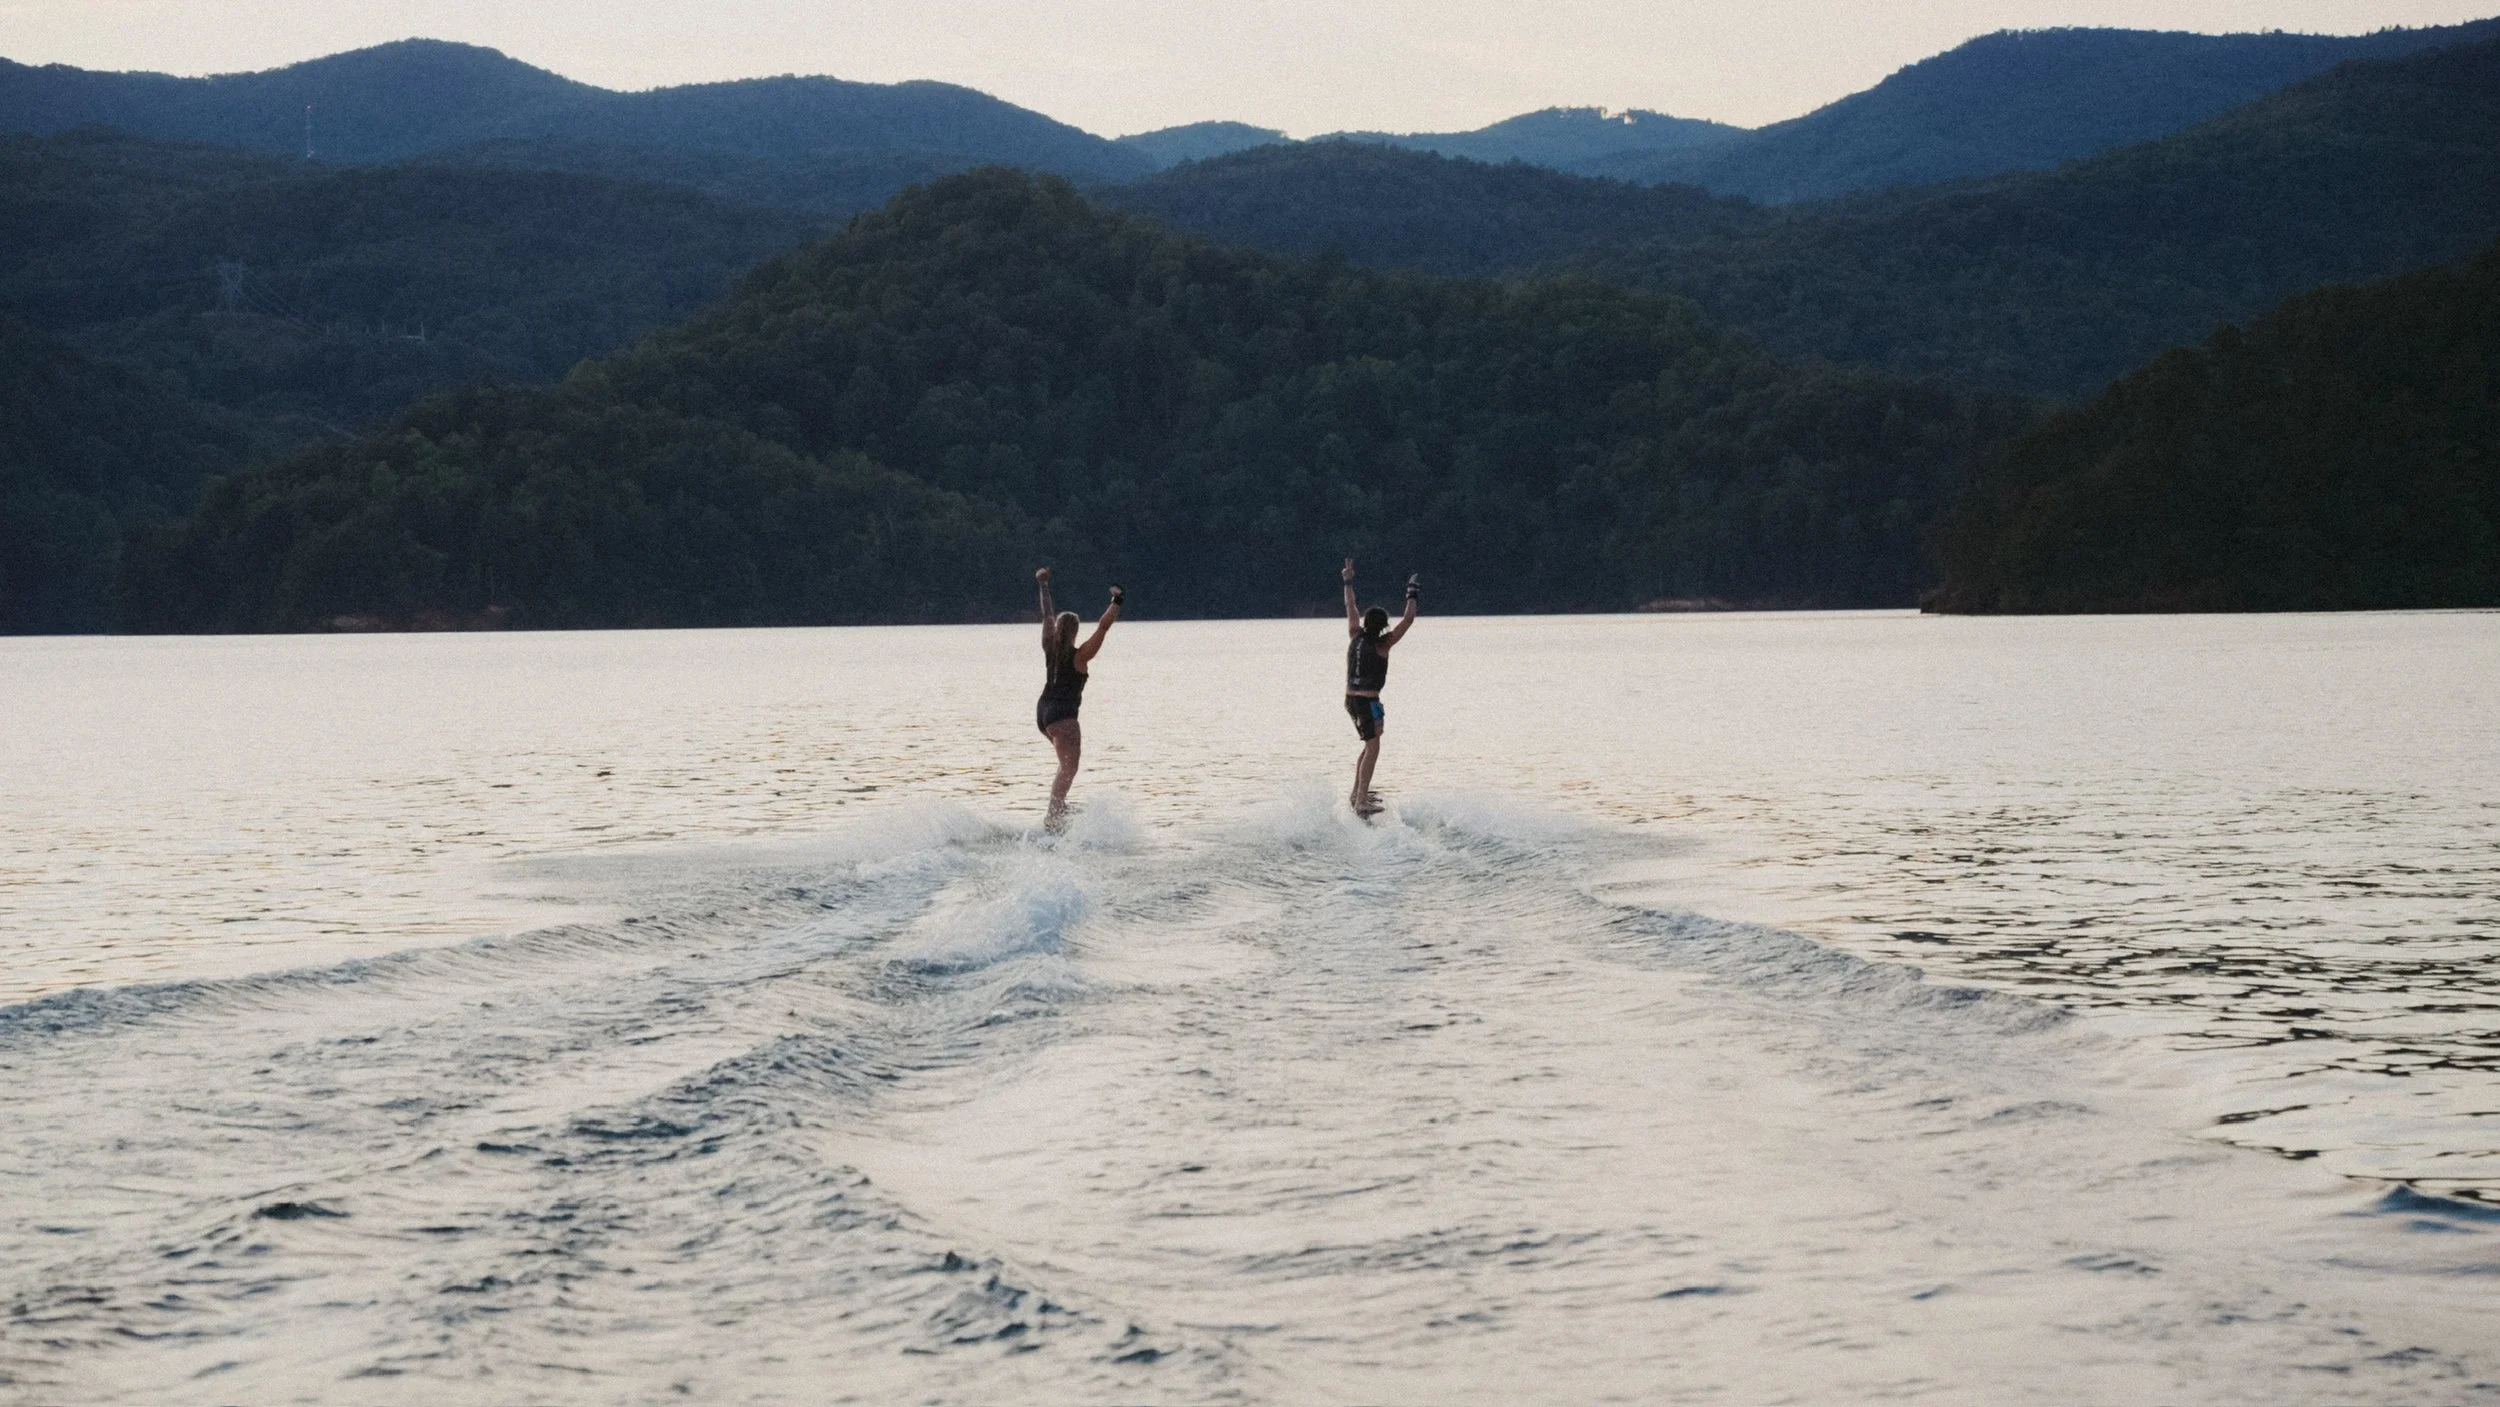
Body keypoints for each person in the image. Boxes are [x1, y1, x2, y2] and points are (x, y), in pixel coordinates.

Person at [1035, 567, 1121, 832]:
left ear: (1059, 629)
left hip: (1043, 714)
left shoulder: (1049, 646)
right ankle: (1055, 814)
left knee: (1064, 767)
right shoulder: (1080, 656)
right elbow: (1103, 628)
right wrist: (1117, 601)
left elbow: (1047, 614)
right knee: (1068, 770)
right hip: (1063, 716)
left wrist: (1043, 585)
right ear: (1074, 631)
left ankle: (1058, 812)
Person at [1342, 558, 1417, 817]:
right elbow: (1408, 620)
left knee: (1369, 745)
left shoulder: (1354, 633)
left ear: (1365, 623)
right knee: (1373, 747)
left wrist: (1348, 580)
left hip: (1354, 701)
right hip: (1364, 702)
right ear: (1383, 626)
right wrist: (1412, 593)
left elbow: (1350, 604)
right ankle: (1361, 799)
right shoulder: (1383, 645)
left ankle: (1357, 793)